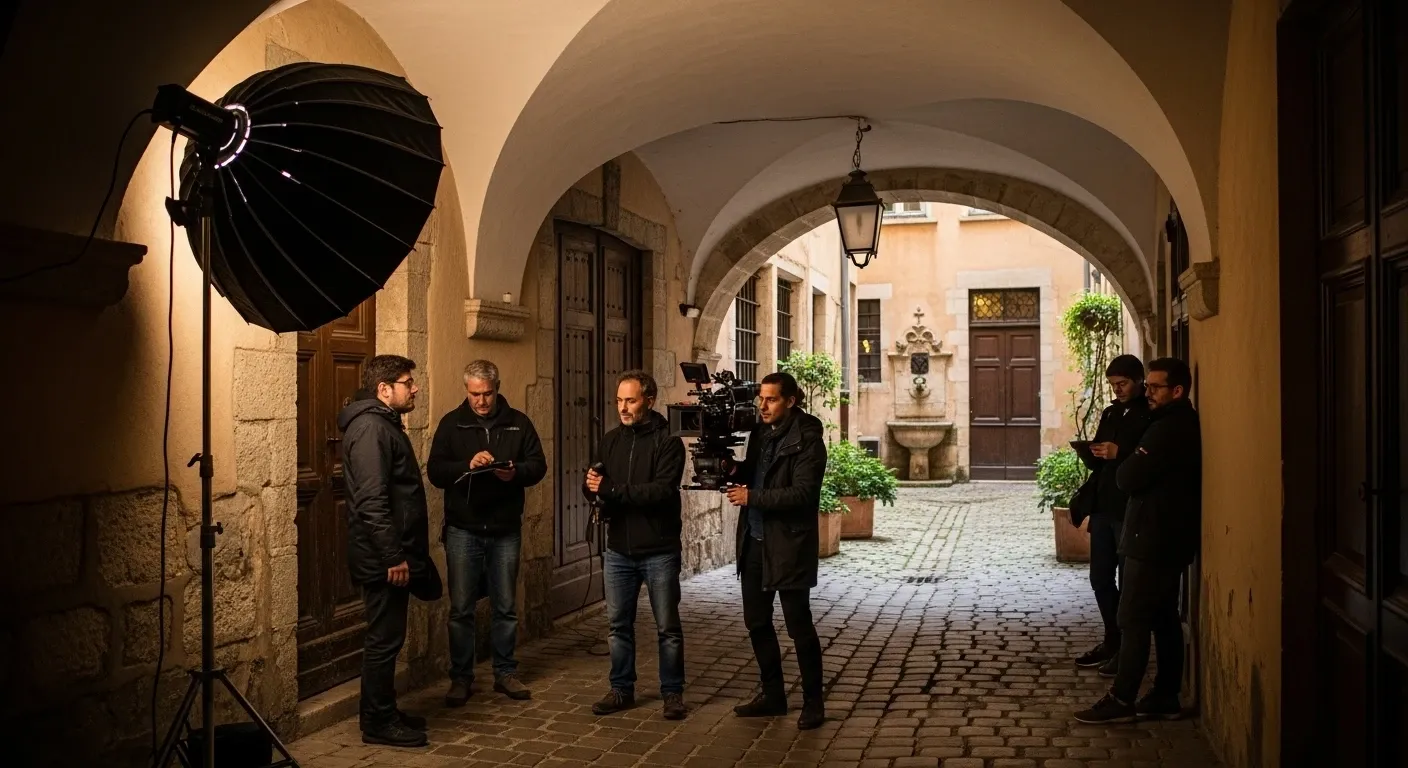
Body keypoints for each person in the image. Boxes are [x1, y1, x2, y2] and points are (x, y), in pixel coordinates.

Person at [1076, 357, 1201, 724]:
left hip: (1153, 535)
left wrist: (1127, 461)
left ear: (1177, 390)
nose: (1149, 392)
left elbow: (1127, 477)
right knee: (1162, 616)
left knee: (1132, 616)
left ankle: (1122, 698)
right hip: (1163, 533)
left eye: (1155, 387)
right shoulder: (1167, 422)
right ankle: (1165, 695)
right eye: (1148, 386)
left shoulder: (1167, 427)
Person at [427, 360, 547, 706]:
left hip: (505, 528)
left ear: (497, 388)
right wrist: (467, 465)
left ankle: (505, 673)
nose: (481, 401)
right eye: (475, 394)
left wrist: (516, 472)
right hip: (463, 529)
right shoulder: (453, 424)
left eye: (487, 394)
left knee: (505, 605)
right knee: (461, 607)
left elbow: (538, 465)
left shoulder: (518, 423)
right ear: (466, 390)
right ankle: (461, 678)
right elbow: (435, 471)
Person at [339, 354, 436, 748]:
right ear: (384, 390)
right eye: (407, 382)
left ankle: (384, 710)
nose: (415, 388)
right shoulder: (369, 430)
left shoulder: (382, 425)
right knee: (384, 640)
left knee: (390, 638)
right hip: (383, 560)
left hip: (392, 555)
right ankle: (377, 723)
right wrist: (393, 556)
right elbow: (372, 501)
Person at [723, 371, 828, 730]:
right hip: (753, 542)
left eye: (770, 400)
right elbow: (755, 473)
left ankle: (814, 702)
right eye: (760, 399)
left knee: (799, 626)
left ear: (790, 401)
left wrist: (753, 497)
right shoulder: (760, 433)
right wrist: (733, 468)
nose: (762, 406)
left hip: (788, 545)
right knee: (757, 623)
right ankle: (773, 695)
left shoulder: (808, 440)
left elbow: (803, 494)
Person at [583, 370, 689, 720]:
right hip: (618, 550)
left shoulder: (669, 441)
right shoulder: (611, 439)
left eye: (630, 400)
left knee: (667, 628)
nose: (623, 407)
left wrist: (610, 490)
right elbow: (597, 483)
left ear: (649, 400)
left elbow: (659, 492)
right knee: (618, 626)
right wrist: (591, 486)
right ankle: (621, 690)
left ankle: (672, 694)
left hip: (658, 549)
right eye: (618, 401)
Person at [1072, 354, 1150, 677]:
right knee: (1099, 578)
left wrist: (1120, 453)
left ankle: (1126, 651)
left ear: (1139, 381)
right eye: (1113, 385)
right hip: (1104, 507)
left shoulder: (1149, 414)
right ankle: (1111, 639)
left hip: (1128, 508)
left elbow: (1150, 459)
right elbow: (1105, 459)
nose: (1117, 390)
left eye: (1122, 384)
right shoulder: (1110, 412)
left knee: (1126, 581)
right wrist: (1093, 452)